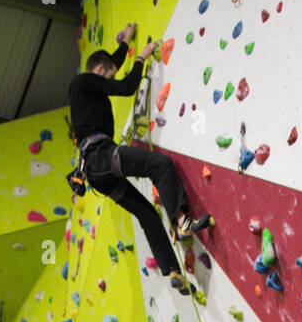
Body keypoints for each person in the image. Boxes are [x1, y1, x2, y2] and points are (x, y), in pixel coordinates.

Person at [68, 22, 211, 294]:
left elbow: (111, 65)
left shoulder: (85, 87)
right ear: (98, 71)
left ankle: (171, 270)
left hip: (96, 175)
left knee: (146, 214)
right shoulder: (83, 81)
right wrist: (142, 54)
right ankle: (181, 222)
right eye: (106, 74)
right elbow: (125, 86)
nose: (109, 79)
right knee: (160, 165)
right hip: (102, 156)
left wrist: (125, 43)